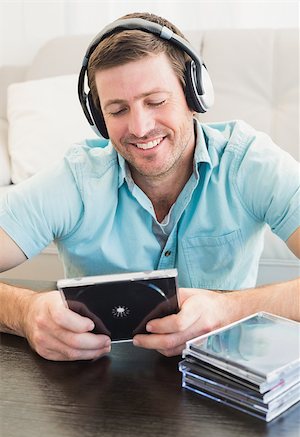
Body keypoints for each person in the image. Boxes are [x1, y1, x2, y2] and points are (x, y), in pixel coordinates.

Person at [0, 12, 299, 361]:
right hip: (97, 392)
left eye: (156, 101)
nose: (140, 128)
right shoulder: (75, 179)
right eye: (117, 110)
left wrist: (226, 309)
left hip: (224, 384)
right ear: (99, 118)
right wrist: (22, 313)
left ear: (194, 95)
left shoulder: (249, 162)